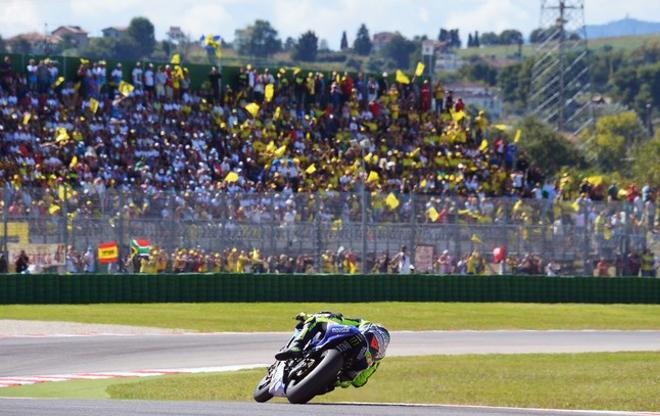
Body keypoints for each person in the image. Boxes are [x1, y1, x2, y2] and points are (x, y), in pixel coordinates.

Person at [275, 312, 390, 389]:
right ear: (368, 330)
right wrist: (310, 316)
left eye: (379, 348)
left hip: (331, 379)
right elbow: (335, 319)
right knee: (317, 319)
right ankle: (297, 346)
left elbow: (359, 382)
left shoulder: (373, 361)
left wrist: (350, 376)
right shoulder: (360, 324)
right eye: (375, 342)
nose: (375, 348)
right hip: (335, 336)